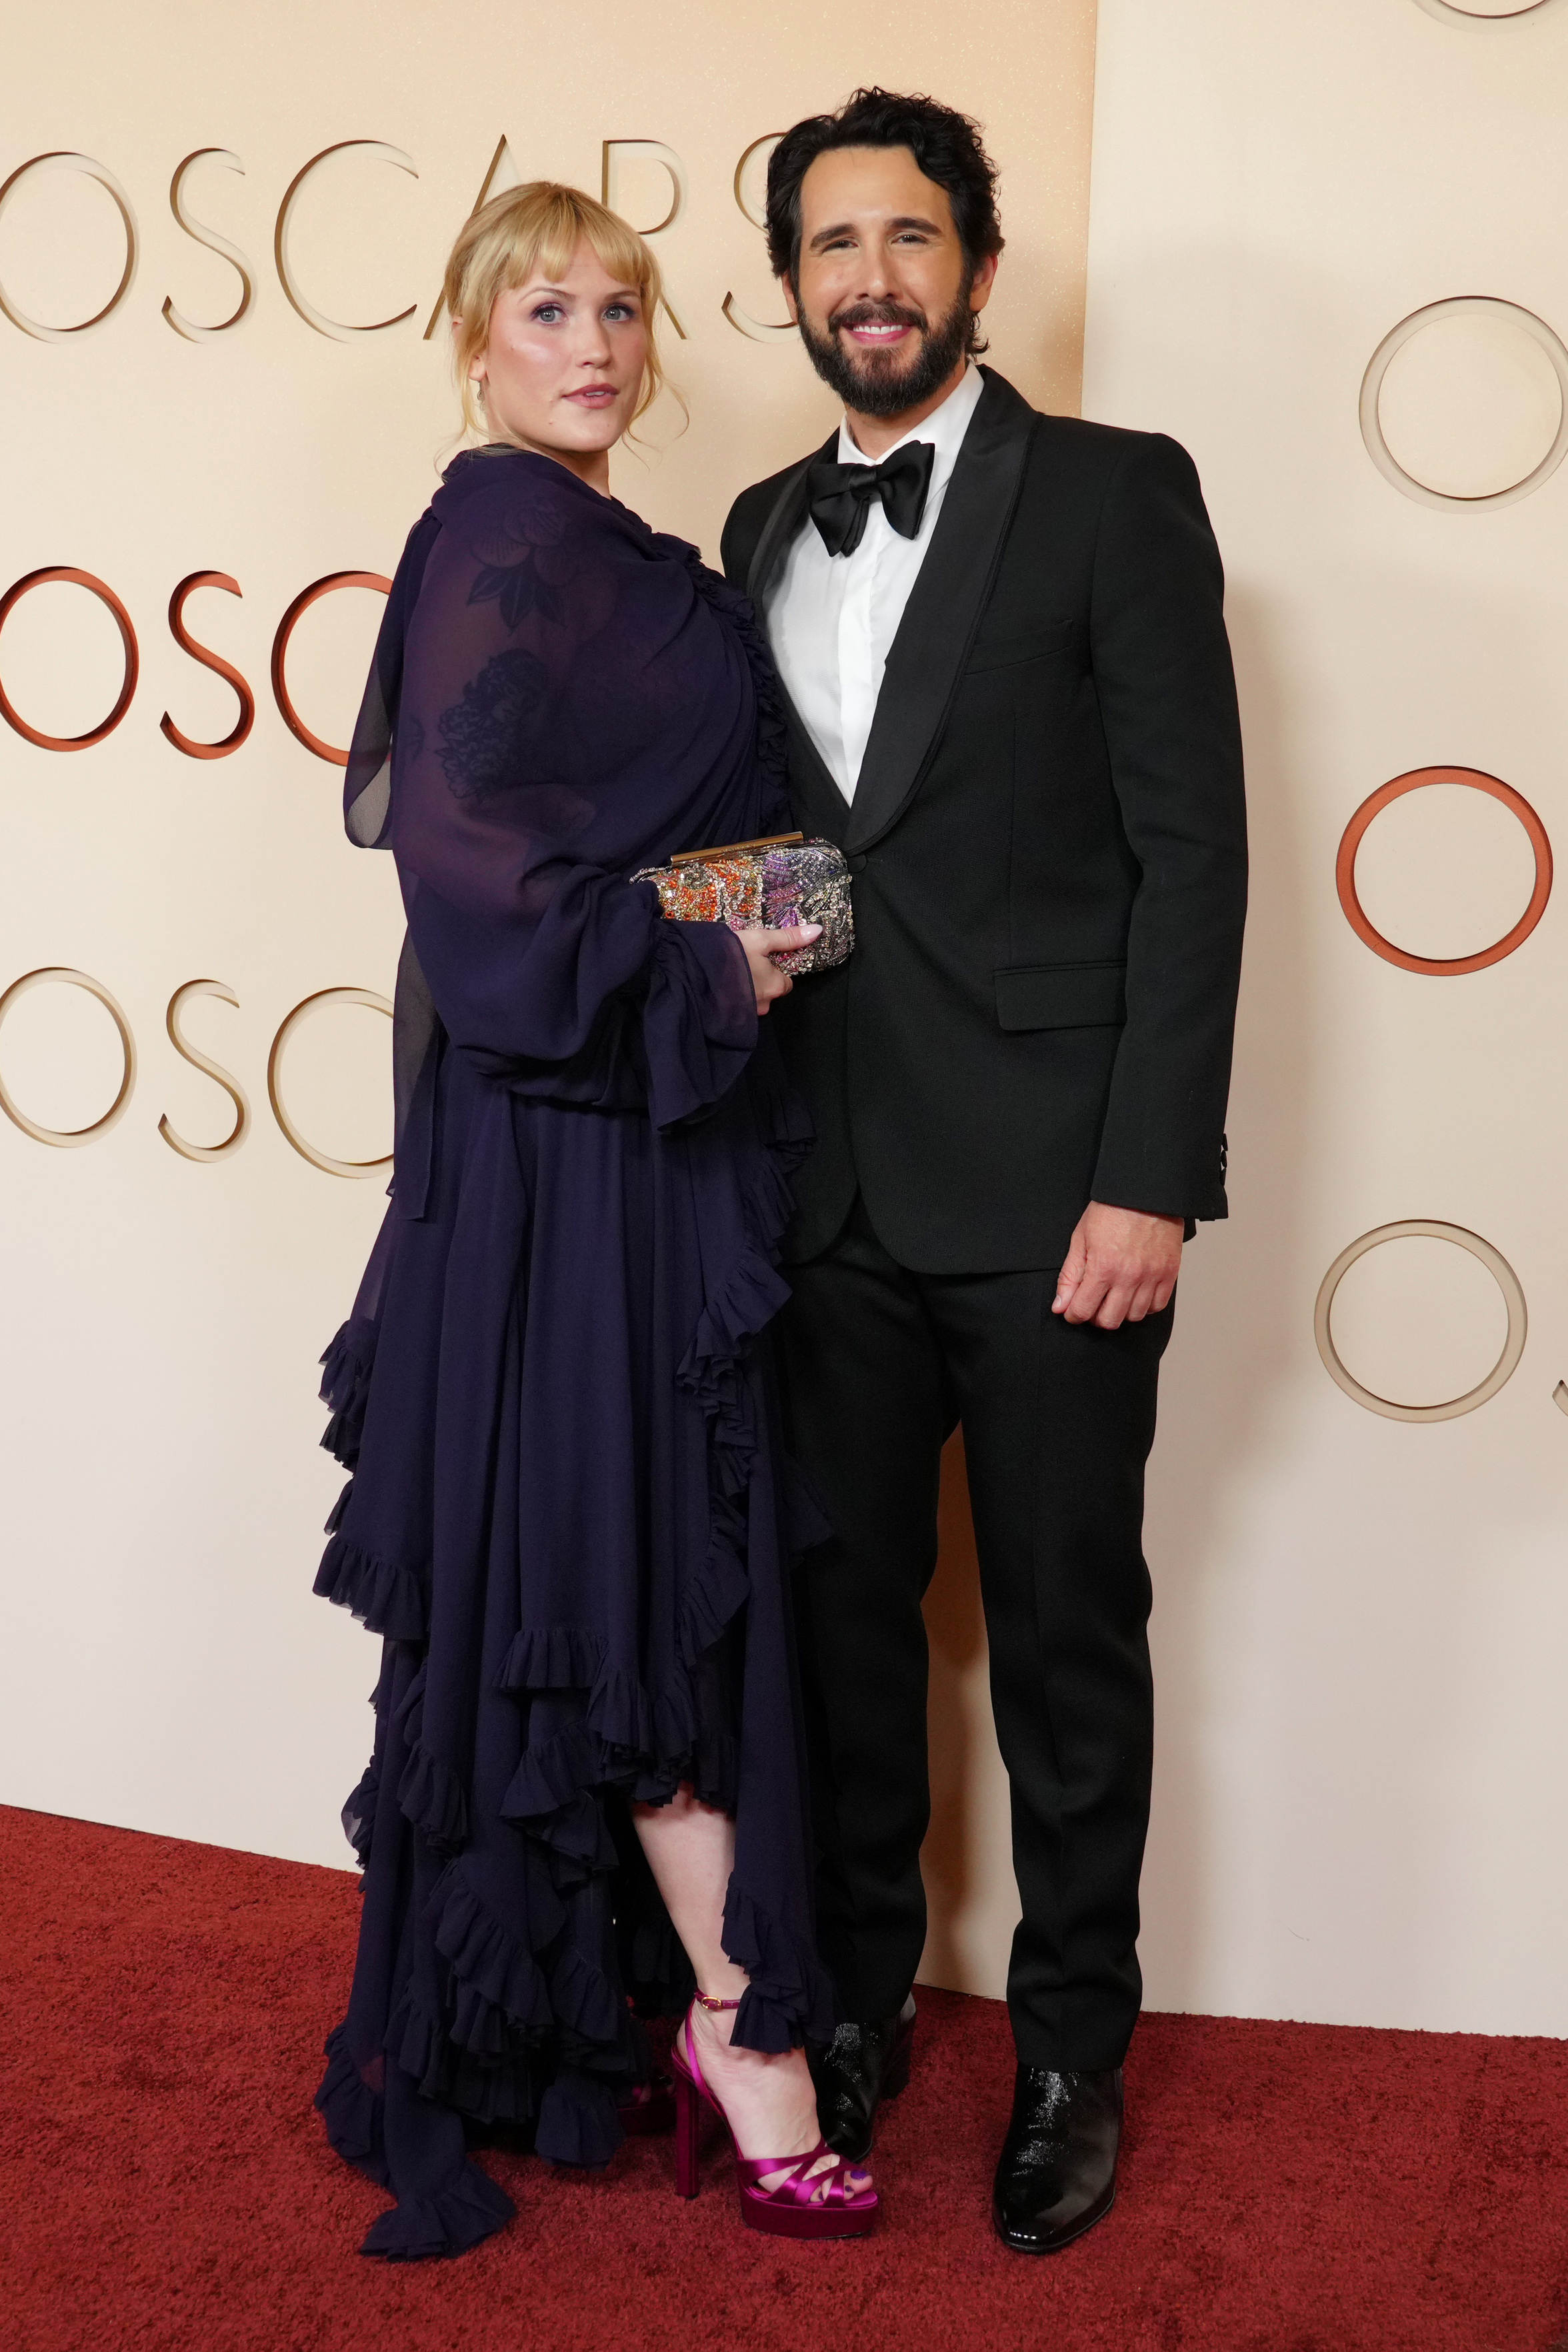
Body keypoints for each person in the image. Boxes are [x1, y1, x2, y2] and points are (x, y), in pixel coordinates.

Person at [310, 179, 877, 2257]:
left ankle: (678, 2011)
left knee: (661, 1570)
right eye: (546, 307)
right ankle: (747, 2032)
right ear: (475, 340)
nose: (593, 342)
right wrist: (750, 928)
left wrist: (780, 907)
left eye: (622, 308)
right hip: (563, 1156)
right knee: (628, 1578)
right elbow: (490, 904)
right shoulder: (494, 546)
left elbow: (795, 866)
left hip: (661, 1147)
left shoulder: (634, 553)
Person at [720, 89, 1247, 2255]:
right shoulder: (751, 526)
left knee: (1062, 1641)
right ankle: (848, 2014)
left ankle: (1067, 2059)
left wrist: (1152, 1175)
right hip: (813, 1193)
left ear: (983, 268)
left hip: (1054, 1198)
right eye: (835, 246)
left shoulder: (1118, 496)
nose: (874, 278)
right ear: (791, 290)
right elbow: (777, 849)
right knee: (847, 1642)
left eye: (912, 238)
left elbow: (1192, 858)